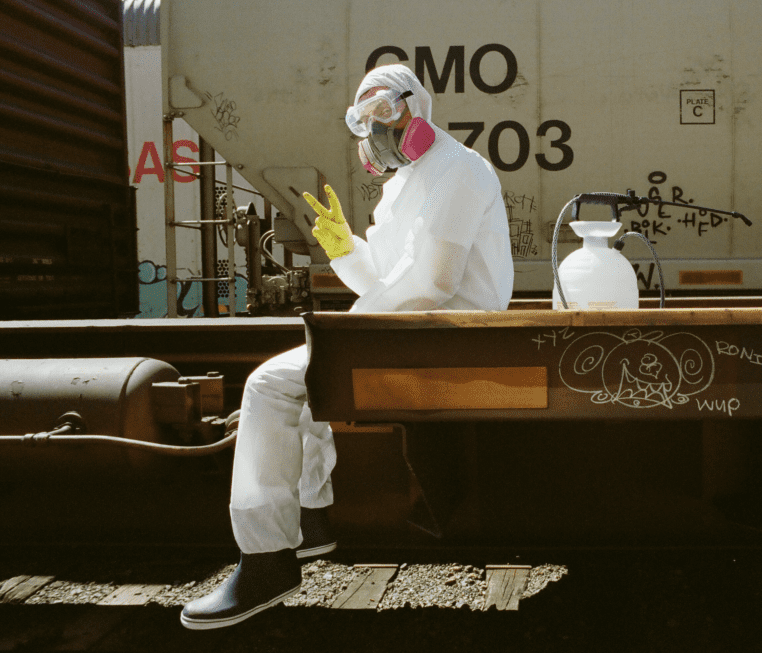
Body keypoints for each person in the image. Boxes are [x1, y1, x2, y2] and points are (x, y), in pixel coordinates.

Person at [180, 64, 514, 630]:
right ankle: (310, 525)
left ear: (418, 108)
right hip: (418, 329)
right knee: (307, 382)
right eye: (362, 119)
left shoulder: (458, 170)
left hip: (450, 334)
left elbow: (433, 283)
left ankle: (266, 559)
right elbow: (383, 280)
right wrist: (345, 249)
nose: (375, 128)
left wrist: (349, 329)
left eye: (385, 110)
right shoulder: (403, 186)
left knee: (270, 386)